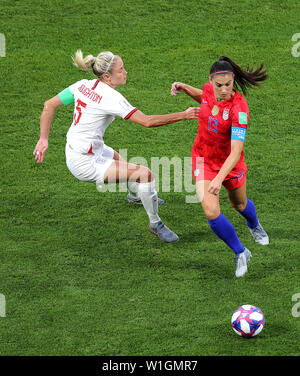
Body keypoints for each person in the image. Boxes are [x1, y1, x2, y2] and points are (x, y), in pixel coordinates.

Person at [33, 49, 199, 243]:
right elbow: (146, 121)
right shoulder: (111, 98)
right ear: (107, 77)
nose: (125, 72)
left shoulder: (83, 86)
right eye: (121, 70)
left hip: (78, 148)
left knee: (118, 159)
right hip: (84, 162)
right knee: (145, 174)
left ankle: (135, 195)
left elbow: (49, 105)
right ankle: (155, 223)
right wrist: (183, 114)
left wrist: (43, 139)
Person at [171, 56, 269, 277]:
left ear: (233, 80)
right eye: (219, 85)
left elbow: (235, 151)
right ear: (211, 81)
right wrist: (184, 87)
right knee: (211, 210)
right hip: (203, 159)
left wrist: (218, 178)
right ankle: (241, 252)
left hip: (230, 165)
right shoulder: (208, 89)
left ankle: (254, 225)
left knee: (239, 204)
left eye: (228, 85)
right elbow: (203, 97)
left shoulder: (239, 109)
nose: (224, 90)